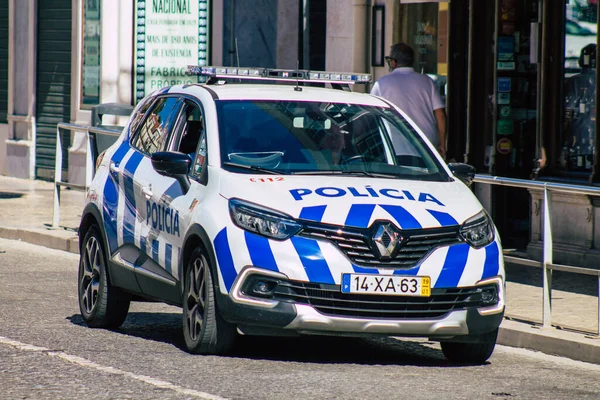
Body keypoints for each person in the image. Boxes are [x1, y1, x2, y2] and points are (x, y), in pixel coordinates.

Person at [371, 43, 448, 159]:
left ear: (393, 62)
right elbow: (440, 115)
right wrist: (442, 143)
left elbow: (370, 115)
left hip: (395, 148)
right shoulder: (427, 82)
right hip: (427, 148)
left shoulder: (382, 83)